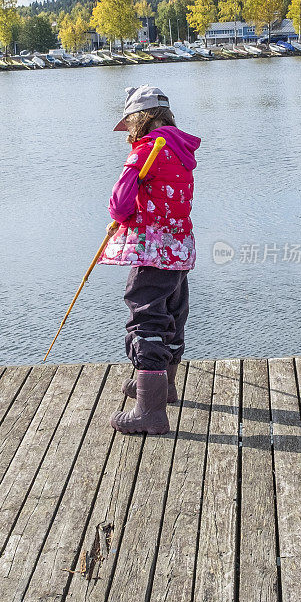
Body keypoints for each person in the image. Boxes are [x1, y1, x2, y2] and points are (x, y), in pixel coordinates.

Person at [99, 85, 201, 435]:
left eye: (128, 124)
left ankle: (150, 411)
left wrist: (120, 212)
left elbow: (119, 204)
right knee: (172, 313)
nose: (127, 132)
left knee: (146, 320)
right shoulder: (181, 150)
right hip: (179, 247)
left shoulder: (146, 151)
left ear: (140, 119)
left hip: (152, 250)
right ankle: (163, 387)